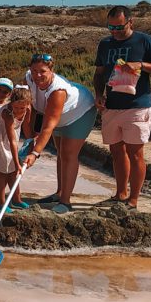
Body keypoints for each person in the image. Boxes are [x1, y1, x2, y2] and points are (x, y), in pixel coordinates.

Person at [93, 5, 151, 210]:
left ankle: (133, 200)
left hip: (137, 106)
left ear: (130, 22)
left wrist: (141, 65)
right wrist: (98, 95)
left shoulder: (144, 41)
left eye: (119, 27)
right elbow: (99, 73)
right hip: (111, 106)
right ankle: (121, 194)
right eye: (111, 27)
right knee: (117, 152)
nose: (115, 31)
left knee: (135, 152)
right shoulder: (105, 44)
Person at [22, 54, 97, 214]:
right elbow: (30, 109)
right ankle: (59, 192)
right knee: (60, 153)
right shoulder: (28, 79)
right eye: (34, 71)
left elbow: (48, 126)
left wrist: (35, 153)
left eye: (42, 71)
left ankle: (66, 201)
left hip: (79, 113)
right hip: (56, 116)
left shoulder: (58, 90)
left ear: (51, 70)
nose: (37, 75)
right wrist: (30, 139)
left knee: (69, 154)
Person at [0, 86, 33, 210]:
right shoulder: (7, 113)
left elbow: (26, 127)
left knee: (13, 171)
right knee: (3, 169)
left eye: (22, 108)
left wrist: (31, 143)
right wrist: (17, 162)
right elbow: (12, 141)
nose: (19, 111)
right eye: (16, 107)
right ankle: (2, 203)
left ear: (28, 105)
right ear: (11, 103)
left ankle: (16, 199)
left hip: (11, 136)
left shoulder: (28, 109)